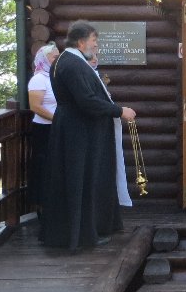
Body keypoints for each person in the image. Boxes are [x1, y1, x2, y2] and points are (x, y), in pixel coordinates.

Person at [42, 20, 136, 250]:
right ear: (81, 41)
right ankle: (81, 236)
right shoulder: (72, 64)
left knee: (81, 180)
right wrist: (119, 111)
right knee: (79, 181)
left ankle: (87, 230)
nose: (96, 45)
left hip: (77, 129)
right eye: (94, 40)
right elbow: (86, 100)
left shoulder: (70, 61)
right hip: (78, 133)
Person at [88, 51, 132, 208]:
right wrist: (119, 111)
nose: (95, 60)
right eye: (91, 57)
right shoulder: (84, 76)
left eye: (96, 57)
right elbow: (91, 102)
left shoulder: (96, 76)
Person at [27, 43, 59, 216]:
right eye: (54, 57)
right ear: (44, 59)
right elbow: (35, 106)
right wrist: (58, 120)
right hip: (44, 130)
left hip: (56, 128)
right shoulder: (39, 79)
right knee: (44, 166)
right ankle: (42, 207)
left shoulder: (55, 77)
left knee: (55, 166)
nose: (57, 60)